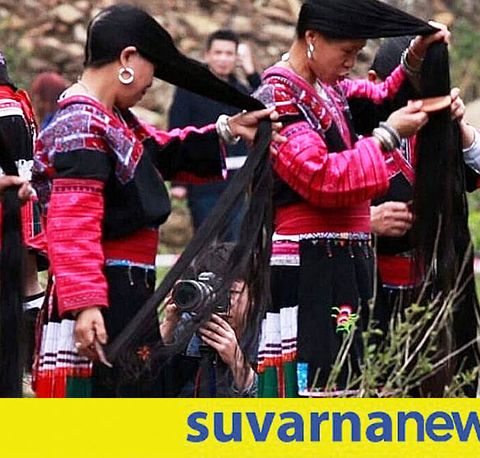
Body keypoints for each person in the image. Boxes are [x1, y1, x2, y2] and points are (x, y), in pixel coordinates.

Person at [31, 4, 274, 398]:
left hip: (127, 294)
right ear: (128, 59)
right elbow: (73, 222)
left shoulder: (115, 120)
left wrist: (228, 129)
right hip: (105, 297)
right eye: (152, 68)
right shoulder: (80, 123)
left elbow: (162, 150)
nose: (151, 82)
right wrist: (86, 304)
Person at [252, 0, 450, 397]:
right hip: (311, 264)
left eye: (358, 53)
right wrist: (387, 136)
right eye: (346, 52)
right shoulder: (279, 97)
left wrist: (414, 56)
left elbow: (379, 97)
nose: (351, 62)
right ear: (312, 39)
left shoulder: (326, 89)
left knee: (347, 381)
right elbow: (320, 177)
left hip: (339, 261)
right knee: (317, 389)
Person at [353, 36, 480, 394]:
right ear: (376, 83)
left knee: (433, 383)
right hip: (370, 283)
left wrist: (460, 127)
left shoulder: (438, 134)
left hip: (433, 284)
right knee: (374, 380)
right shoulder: (356, 132)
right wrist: (368, 220)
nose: (414, 108)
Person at [168, 29, 262, 236]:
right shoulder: (190, 89)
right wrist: (178, 181)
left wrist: (251, 72)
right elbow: (177, 129)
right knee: (206, 243)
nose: (223, 59)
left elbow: (266, 107)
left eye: (229, 54)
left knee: (234, 244)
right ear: (207, 55)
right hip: (203, 180)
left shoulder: (241, 91)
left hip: (236, 182)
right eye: (218, 53)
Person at [0, 53, 45, 396]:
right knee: (27, 282)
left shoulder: (7, 107)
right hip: (26, 204)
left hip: (9, 207)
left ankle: (22, 368)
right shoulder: (19, 103)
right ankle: (31, 368)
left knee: (19, 284)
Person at [161, 243, 257, 397]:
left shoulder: (268, 338)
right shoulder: (187, 329)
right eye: (212, 291)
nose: (219, 301)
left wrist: (237, 362)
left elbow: (280, 406)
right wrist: (167, 329)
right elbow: (142, 389)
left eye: (231, 292)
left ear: (254, 295)